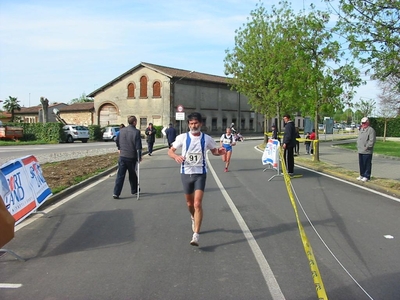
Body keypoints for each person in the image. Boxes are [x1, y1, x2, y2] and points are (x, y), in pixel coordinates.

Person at [168, 112, 226, 247]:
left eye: (196, 123)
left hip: (200, 174)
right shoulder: (182, 137)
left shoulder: (207, 139)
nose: (194, 126)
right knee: (189, 204)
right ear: (188, 124)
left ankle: (196, 235)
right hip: (186, 173)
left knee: (197, 204)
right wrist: (175, 156)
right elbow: (170, 151)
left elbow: (214, 151)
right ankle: (193, 217)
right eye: (191, 124)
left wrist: (220, 152)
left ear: (201, 124)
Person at [113, 116, 142, 199]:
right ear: (134, 122)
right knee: (132, 174)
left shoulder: (121, 131)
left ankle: (116, 193)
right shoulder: (136, 132)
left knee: (120, 175)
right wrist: (139, 156)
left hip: (122, 156)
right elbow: (138, 146)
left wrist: (119, 148)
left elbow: (117, 140)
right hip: (131, 156)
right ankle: (135, 190)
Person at [357, 117, 376, 182]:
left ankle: (366, 176)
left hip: (367, 151)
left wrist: (367, 147)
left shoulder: (371, 130)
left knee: (367, 164)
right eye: (362, 123)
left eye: (365, 123)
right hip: (360, 150)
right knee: (361, 163)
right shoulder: (361, 129)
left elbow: (372, 141)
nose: (363, 124)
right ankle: (361, 174)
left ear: (368, 122)